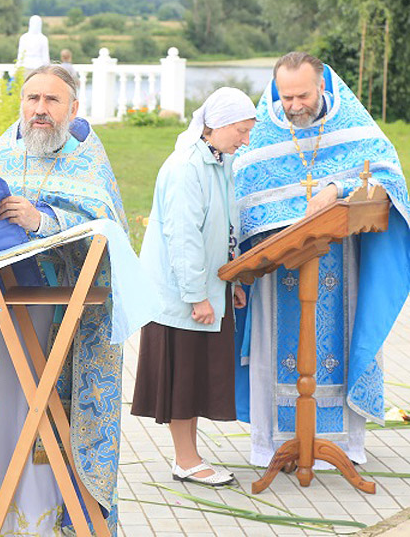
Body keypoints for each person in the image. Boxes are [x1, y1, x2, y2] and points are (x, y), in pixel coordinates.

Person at [0, 65, 143, 534]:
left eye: (51, 100)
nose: (40, 110)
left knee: (44, 413)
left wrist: (42, 220)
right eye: (31, 99)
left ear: (73, 108)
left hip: (59, 317)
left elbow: (108, 230)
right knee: (2, 411)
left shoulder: (89, 160)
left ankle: (47, 519)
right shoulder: (2, 151)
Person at [233, 51, 410, 468]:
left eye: (302, 96)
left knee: (338, 345)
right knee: (276, 350)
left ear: (322, 88)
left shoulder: (353, 127)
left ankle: (341, 445)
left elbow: (388, 175)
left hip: (340, 260)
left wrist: (335, 188)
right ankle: (275, 444)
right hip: (275, 270)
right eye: (286, 97)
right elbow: (244, 192)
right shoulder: (265, 133)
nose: (293, 106)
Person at [131, 87, 256, 486]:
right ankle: (186, 460)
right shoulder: (186, 167)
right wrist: (198, 296)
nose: (245, 139)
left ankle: (189, 456)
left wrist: (228, 283)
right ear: (216, 125)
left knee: (195, 375)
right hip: (180, 297)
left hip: (204, 291)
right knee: (184, 379)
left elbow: (221, 229)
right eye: (241, 130)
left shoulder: (217, 163)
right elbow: (183, 238)